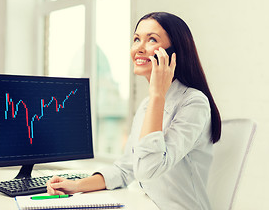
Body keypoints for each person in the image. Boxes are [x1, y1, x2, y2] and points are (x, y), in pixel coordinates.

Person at [46, 12, 221, 210]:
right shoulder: (147, 105)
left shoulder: (194, 103)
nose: (138, 48)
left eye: (152, 39)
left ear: (174, 53)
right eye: (136, 39)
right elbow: (126, 168)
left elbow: (148, 169)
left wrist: (157, 95)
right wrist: (76, 185)